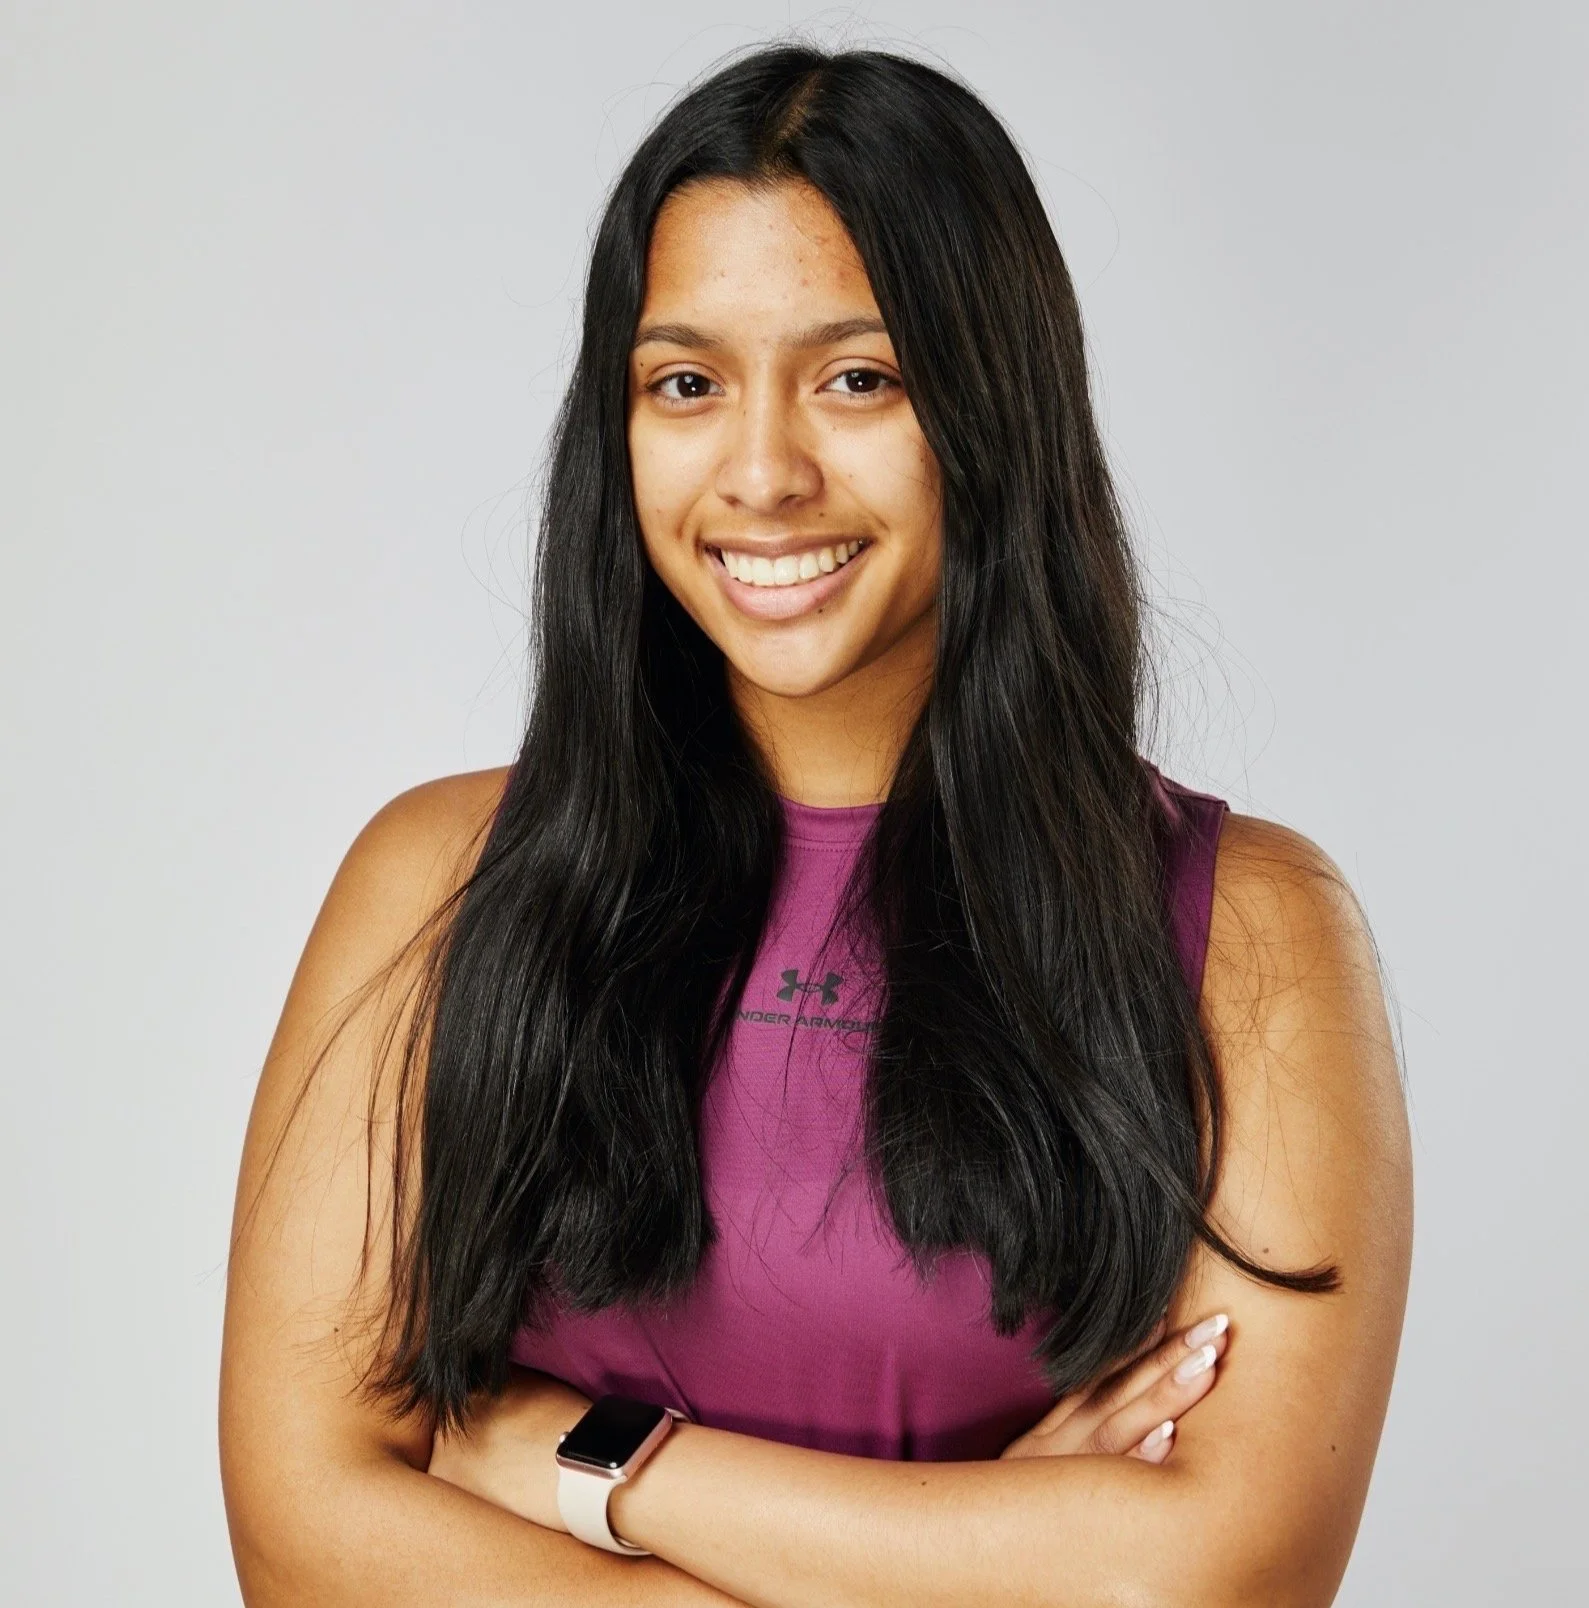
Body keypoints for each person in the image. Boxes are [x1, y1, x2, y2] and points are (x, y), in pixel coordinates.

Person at [219, 42, 1412, 1608]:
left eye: (858, 377)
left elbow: (1204, 1583)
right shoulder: (439, 886)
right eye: (686, 383)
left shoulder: (1247, 930)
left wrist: (581, 1463)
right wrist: (982, 1545)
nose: (764, 472)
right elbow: (302, 1543)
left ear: (991, 407)